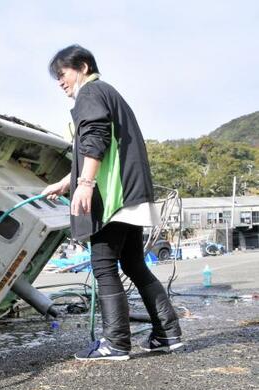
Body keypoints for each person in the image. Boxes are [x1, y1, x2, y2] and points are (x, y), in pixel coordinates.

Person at [41, 45, 183, 361]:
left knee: (103, 265)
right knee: (133, 264)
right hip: (132, 194)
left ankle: (116, 343)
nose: (60, 82)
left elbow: (95, 139)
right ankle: (167, 333)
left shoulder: (90, 93)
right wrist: (66, 182)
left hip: (115, 197)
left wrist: (85, 185)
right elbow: (99, 148)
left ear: (83, 66)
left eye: (62, 74)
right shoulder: (108, 93)